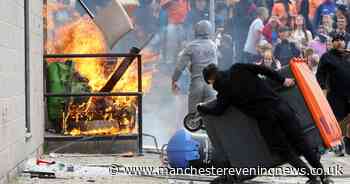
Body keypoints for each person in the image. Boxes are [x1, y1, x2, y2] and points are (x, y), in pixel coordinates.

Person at [198, 63, 334, 184]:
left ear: (210, 80)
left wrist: (201, 108)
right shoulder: (238, 67)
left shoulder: (223, 91)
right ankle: (323, 177)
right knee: (302, 143)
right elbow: (263, 69)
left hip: (266, 119)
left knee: (284, 151)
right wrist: (282, 80)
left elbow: (218, 110)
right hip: (281, 108)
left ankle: (312, 177)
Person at [172, 20, 218, 114]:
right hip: (211, 85)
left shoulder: (191, 46)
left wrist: (174, 80)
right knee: (210, 116)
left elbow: (180, 67)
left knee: (193, 118)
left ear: (196, 31)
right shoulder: (213, 46)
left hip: (197, 84)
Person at [316, 33, 350, 156]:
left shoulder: (348, 55)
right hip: (335, 95)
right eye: (337, 40)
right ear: (332, 42)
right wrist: (323, 89)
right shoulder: (327, 57)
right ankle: (336, 146)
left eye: (342, 40)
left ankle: (347, 145)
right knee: (336, 121)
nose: (340, 42)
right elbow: (320, 75)